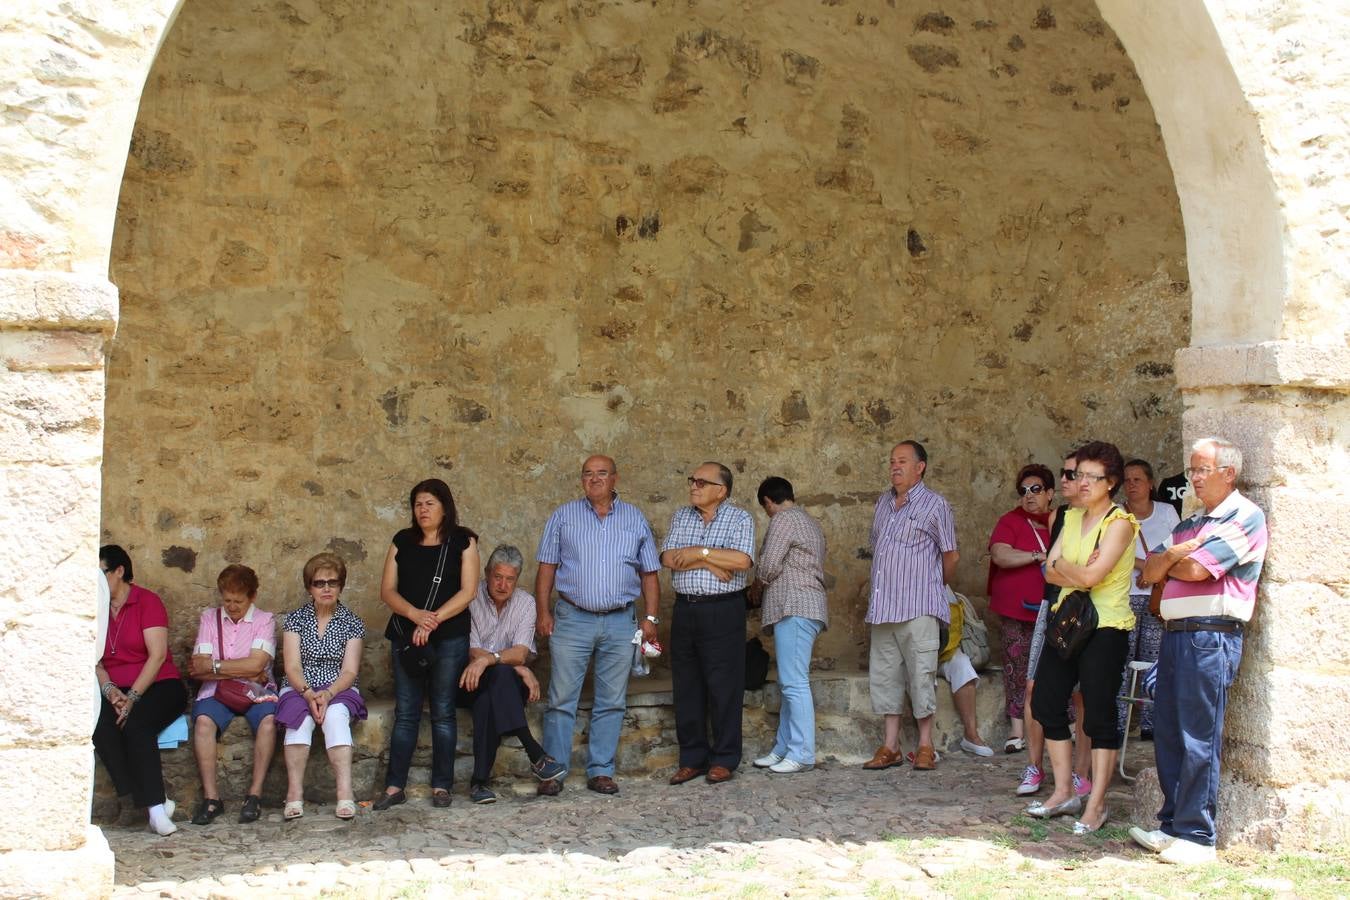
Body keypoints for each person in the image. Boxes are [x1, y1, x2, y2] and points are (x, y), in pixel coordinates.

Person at [1131, 438, 1267, 865]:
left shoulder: (1245, 516)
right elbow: (1148, 570)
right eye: (1192, 469)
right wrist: (1174, 552)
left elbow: (1195, 570)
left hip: (1210, 636)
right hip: (1175, 633)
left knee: (1198, 735)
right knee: (1169, 731)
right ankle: (1172, 826)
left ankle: (1197, 835)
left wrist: (1173, 559)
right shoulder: (1191, 523)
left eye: (1203, 469)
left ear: (1229, 473)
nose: (1194, 478)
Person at [1029, 441, 1139, 835]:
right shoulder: (1073, 517)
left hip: (1106, 626)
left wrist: (1066, 567)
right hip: (1067, 622)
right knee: (1045, 702)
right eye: (1080, 475)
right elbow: (1048, 570)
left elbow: (1093, 578)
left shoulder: (1120, 522)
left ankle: (1096, 804)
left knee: (1099, 714)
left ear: (1110, 483)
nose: (1083, 483)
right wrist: (1071, 567)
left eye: (1093, 477)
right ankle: (1063, 792)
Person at [534, 454, 661, 796]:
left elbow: (649, 573)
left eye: (601, 473)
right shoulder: (563, 517)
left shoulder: (634, 518)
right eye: (588, 474)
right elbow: (546, 568)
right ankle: (553, 771)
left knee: (612, 700)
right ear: (581, 481)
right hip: (573, 618)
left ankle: (601, 770)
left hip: (621, 621)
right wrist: (543, 612)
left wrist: (650, 618)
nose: (594, 479)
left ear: (615, 479)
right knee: (561, 698)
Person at [376, 478, 480, 810]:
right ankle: (394, 786)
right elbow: (388, 590)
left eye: (430, 503)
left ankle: (442, 786)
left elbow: (468, 592)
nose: (423, 510)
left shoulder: (464, 542)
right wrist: (415, 616)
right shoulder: (402, 541)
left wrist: (432, 619)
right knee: (406, 712)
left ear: (445, 507)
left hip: (449, 638)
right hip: (407, 638)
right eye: (418, 504)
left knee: (443, 712)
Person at [862, 440, 959, 772]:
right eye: (891, 461)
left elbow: (951, 554)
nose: (895, 467)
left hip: (918, 606)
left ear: (920, 467)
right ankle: (889, 747)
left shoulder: (935, 505)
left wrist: (933, 585)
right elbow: (877, 549)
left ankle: (925, 746)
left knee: (922, 675)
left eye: (902, 461)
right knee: (886, 676)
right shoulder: (882, 503)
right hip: (884, 607)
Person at [662, 461, 756, 785]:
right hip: (686, 609)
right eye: (692, 480)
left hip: (723, 610)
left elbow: (742, 561)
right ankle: (692, 758)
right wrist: (714, 559)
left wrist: (699, 553)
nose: (693, 486)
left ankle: (725, 758)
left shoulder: (740, 518)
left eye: (702, 482)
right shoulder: (680, 516)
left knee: (724, 686)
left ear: (722, 490)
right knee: (686, 685)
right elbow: (668, 558)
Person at [94, 545, 189, 836]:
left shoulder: (146, 601)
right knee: (100, 726)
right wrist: (110, 691)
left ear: (119, 571)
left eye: (101, 573)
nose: (95, 581)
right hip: (115, 687)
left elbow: (157, 655)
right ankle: (132, 799)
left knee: (136, 725)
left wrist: (132, 697)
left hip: (160, 684)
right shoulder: (94, 608)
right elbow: (93, 659)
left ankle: (156, 811)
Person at [460, 545, 565, 804]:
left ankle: (479, 783)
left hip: (500, 684)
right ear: (486, 573)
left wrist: (502, 661)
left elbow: (519, 652)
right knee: (501, 679)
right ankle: (536, 754)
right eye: (498, 577)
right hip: (469, 681)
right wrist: (515, 665)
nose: (503, 584)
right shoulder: (470, 599)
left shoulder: (526, 603)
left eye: (510, 579)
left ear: (517, 580)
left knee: (494, 692)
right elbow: (473, 651)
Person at [1017, 451, 1092, 797]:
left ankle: (1080, 772)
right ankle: (1035, 767)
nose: (1065, 481)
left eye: (1072, 474)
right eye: (1064, 474)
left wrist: (1066, 568)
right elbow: (1052, 567)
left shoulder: (1107, 517)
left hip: (1088, 610)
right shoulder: (1059, 516)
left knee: (1082, 696)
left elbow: (1085, 570)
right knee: (1034, 687)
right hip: (1054, 606)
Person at [276, 553, 366, 820]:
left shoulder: (353, 622)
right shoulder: (295, 620)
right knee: (298, 720)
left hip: (338, 686)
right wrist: (307, 693)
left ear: (340, 586)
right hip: (299, 685)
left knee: (336, 718)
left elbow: (350, 670)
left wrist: (327, 694)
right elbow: (291, 665)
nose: (326, 588)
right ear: (309, 588)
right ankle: (294, 795)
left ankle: (345, 794)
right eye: (319, 583)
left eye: (332, 582)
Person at [186, 564, 278, 825]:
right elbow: (198, 668)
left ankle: (254, 795)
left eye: (238, 601)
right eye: (227, 600)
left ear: (252, 597)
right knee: (203, 722)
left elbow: (257, 666)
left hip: (257, 691)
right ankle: (212, 799)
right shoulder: (209, 618)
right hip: (217, 692)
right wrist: (243, 669)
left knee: (269, 722)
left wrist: (216, 666)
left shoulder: (264, 620)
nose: (232, 606)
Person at [749, 476, 828, 775]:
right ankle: (784, 747)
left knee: (794, 683)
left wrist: (758, 584)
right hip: (807, 606)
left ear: (768, 502)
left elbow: (769, 565)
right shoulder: (811, 523)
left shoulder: (783, 519)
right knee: (789, 681)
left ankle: (802, 752)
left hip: (794, 606)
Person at [987, 464, 1054, 756]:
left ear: (1050, 493)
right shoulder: (1010, 521)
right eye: (1024, 491)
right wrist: (1038, 555)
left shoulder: (1061, 522)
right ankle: (1017, 731)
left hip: (1053, 610)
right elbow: (1001, 554)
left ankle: (1056, 726)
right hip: (1016, 610)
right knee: (1016, 669)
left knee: (1054, 668)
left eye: (1036, 489)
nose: (1029, 496)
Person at [1119, 459, 1180, 738]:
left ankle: (1150, 725)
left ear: (1150, 483)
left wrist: (1155, 574)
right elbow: (1116, 549)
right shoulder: (1117, 514)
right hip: (1125, 596)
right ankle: (1119, 722)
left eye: (1137, 480)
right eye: (1127, 480)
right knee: (1122, 661)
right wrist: (1147, 568)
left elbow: (1177, 549)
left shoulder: (1167, 512)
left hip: (1157, 598)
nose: (1131, 485)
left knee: (1154, 661)